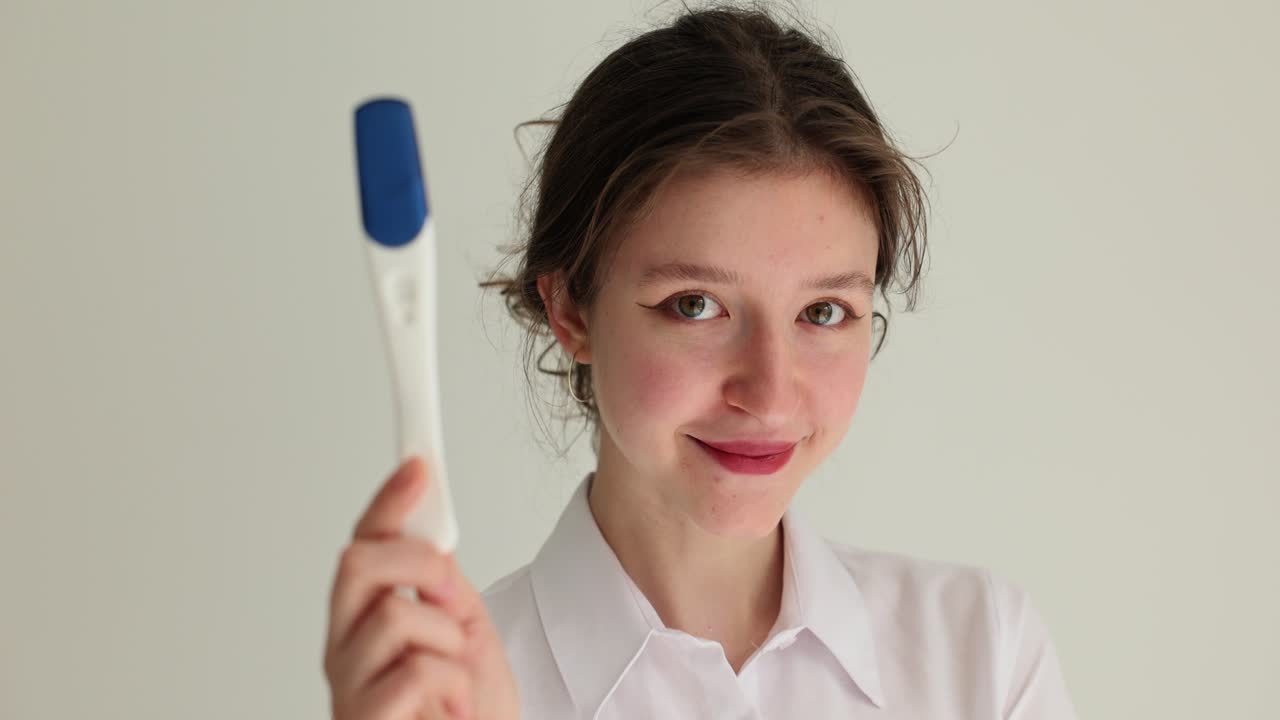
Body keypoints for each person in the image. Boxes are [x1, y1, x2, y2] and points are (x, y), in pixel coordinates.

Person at [323, 3, 1078, 719]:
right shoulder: (441, 694)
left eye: (822, 312)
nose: (771, 394)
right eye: (696, 305)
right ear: (570, 310)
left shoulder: (980, 656)